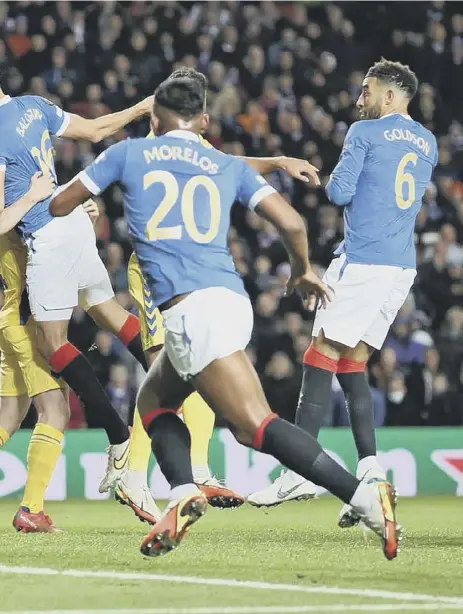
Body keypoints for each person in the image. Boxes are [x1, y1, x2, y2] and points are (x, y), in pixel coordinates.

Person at [51, 76, 402, 561]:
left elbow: (59, 203)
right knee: (154, 402)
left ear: (154, 119)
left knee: (254, 426)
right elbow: (293, 222)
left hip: (191, 310)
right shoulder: (221, 162)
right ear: (204, 122)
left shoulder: (128, 154)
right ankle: (183, 491)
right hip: (229, 300)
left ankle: (364, 495)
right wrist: (301, 271)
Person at [119, 67, 324, 522]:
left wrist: (276, 163)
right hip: (157, 272)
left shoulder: (191, 142)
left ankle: (196, 470)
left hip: (188, 275)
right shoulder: (157, 144)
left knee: (196, 369)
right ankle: (133, 476)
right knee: (163, 373)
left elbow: (228, 166)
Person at [247, 59, 438, 527]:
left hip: (366, 259)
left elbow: (339, 193)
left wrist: (324, 178)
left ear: (391, 96)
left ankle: (297, 471)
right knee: (353, 361)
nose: (360, 100)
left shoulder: (364, 133)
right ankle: (370, 470)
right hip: (400, 266)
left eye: (368, 91)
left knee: (319, 352)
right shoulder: (428, 142)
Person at [0, 85, 155, 531]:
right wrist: (142, 105)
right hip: (46, 258)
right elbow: (96, 128)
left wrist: (41, 200)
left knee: (40, 402)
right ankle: (161, 379)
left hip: (28, 289)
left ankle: (115, 440)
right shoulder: (34, 107)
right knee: (103, 311)